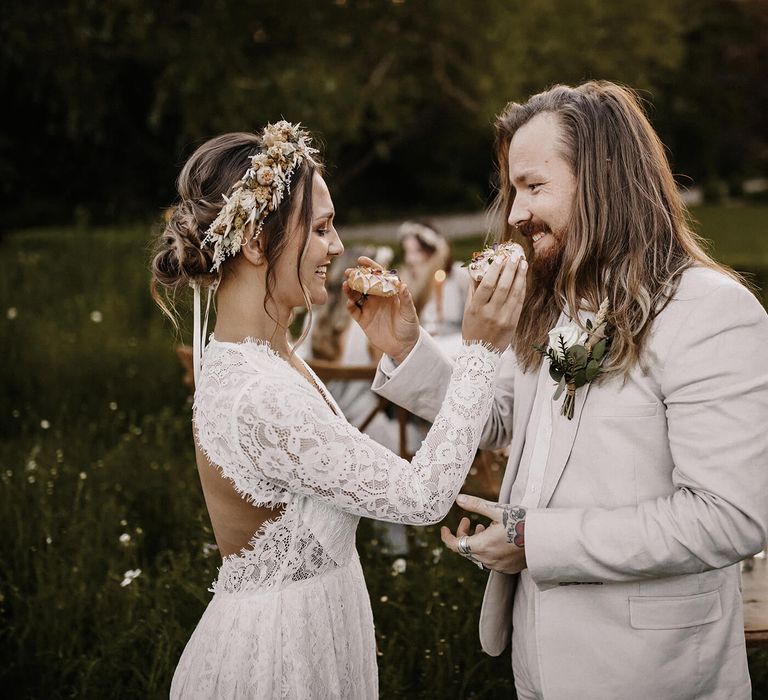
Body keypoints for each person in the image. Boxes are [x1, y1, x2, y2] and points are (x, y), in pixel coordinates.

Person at [351, 82, 768, 699]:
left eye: (534, 187)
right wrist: (406, 347)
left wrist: (533, 540)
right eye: (513, 189)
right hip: (536, 658)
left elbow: (726, 518)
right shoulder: (554, 304)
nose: (516, 214)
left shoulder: (710, 311)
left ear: (604, 182)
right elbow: (496, 418)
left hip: (650, 671)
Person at [150, 122, 527, 698]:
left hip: (318, 627)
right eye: (322, 227)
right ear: (254, 241)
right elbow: (422, 498)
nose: (338, 245)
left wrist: (402, 346)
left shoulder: (270, 358)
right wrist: (479, 350)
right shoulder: (258, 395)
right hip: (276, 662)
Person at [398, 220, 468, 348]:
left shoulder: (458, 276)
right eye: (407, 252)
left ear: (433, 250)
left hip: (458, 346)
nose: (409, 259)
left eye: (417, 251)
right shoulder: (409, 284)